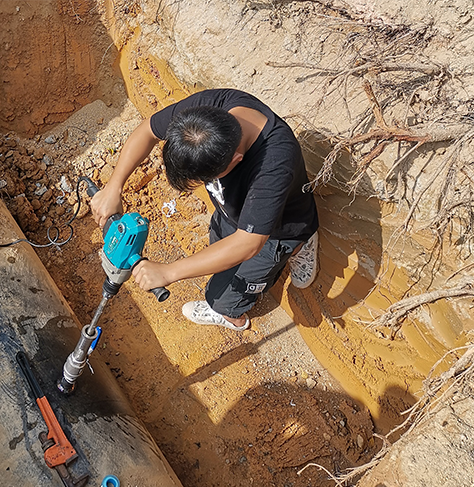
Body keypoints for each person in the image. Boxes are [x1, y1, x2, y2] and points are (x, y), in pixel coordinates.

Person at [90, 89, 319, 331]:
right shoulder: (207, 114)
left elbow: (248, 244)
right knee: (219, 251)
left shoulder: (274, 165)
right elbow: (148, 130)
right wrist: (113, 188)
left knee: (222, 299)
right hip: (232, 214)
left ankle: (297, 248)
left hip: (276, 231)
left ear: (235, 160)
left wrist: (168, 272)